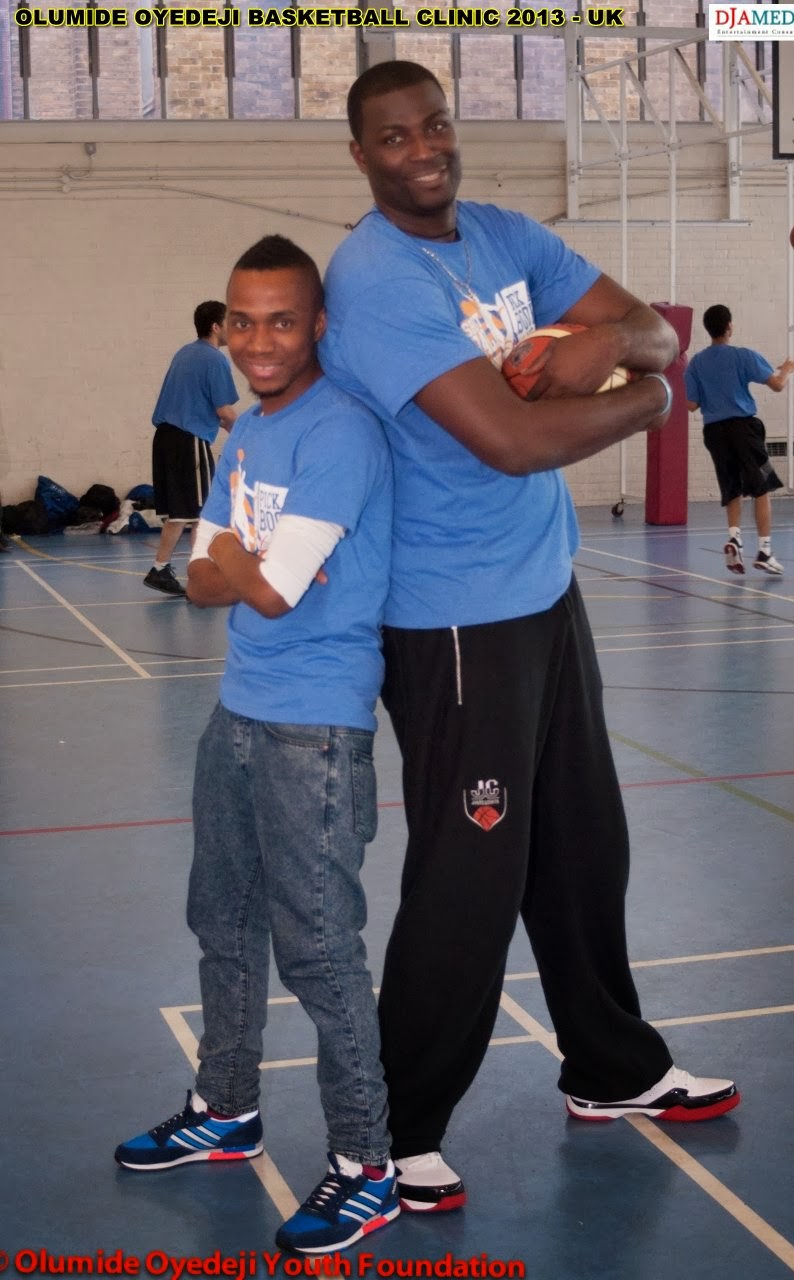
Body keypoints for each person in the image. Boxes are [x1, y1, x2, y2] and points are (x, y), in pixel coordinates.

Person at [320, 60, 740, 1215]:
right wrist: (645, 398)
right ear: (360, 156)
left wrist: (600, 349)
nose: (422, 148)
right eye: (393, 136)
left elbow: (648, 325)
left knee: (583, 845)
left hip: (540, 589)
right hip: (452, 615)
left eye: (434, 124)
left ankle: (611, 1063)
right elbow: (509, 439)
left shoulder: (506, 235)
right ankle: (388, 1131)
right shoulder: (375, 278)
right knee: (470, 874)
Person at [116, 236, 399, 1257]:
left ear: (316, 325)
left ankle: (366, 1164)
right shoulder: (246, 436)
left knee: (317, 949)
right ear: (224, 326)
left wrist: (240, 557)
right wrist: (244, 559)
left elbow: (269, 590)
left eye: (282, 320)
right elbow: (201, 577)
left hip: (315, 724)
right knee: (222, 921)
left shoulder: (341, 431)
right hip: (236, 707)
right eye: (243, 320)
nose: (259, 340)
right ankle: (226, 1107)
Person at [685, 304, 794, 576]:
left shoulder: (696, 363)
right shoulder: (742, 355)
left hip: (714, 433)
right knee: (761, 488)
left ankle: (735, 538)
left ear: (708, 329)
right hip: (743, 429)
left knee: (732, 488)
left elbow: (691, 405)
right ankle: (765, 551)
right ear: (729, 326)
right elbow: (777, 385)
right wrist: (786, 369)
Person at [144, 300, 239, 596]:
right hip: (188, 441)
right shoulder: (214, 359)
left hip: (166, 438)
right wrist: (250, 437)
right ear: (216, 327)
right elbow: (224, 412)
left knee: (186, 512)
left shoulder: (184, 353)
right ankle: (191, 574)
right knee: (197, 512)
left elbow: (209, 411)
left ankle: (168, 569)